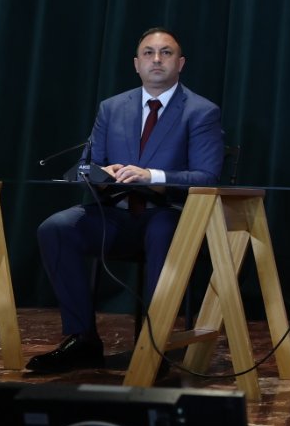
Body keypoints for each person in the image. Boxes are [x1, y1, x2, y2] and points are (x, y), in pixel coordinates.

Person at [29, 27, 224, 373]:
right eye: (148, 53)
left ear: (180, 63)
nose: (156, 59)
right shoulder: (112, 108)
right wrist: (103, 173)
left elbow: (207, 177)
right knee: (56, 228)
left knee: (162, 230)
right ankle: (83, 340)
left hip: (168, 213)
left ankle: (155, 342)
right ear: (136, 64)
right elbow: (87, 167)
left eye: (166, 53)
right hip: (114, 214)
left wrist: (152, 176)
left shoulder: (201, 111)